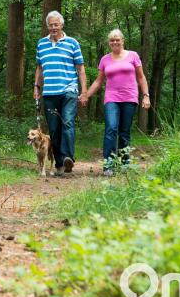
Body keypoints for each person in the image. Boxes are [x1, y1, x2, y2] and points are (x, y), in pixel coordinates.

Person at [82, 29, 150, 176]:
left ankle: (125, 164)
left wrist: (146, 95)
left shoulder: (133, 56)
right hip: (111, 98)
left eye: (117, 39)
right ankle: (109, 165)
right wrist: (86, 95)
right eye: (112, 40)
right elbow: (98, 81)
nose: (114, 42)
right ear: (109, 43)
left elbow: (141, 77)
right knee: (111, 128)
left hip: (129, 97)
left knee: (124, 132)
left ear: (122, 40)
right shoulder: (105, 59)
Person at [33, 10, 87, 176]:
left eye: (56, 24)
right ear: (47, 26)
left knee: (68, 123)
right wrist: (36, 87)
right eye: (50, 25)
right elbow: (39, 68)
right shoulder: (42, 44)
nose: (53, 28)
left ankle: (67, 158)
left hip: (69, 91)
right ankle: (59, 164)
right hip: (49, 93)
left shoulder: (72, 43)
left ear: (62, 25)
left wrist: (84, 91)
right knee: (54, 129)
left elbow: (80, 68)